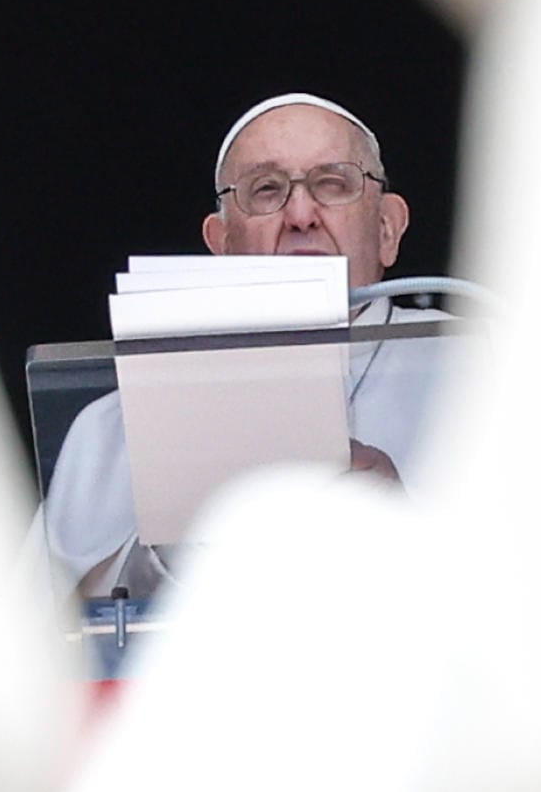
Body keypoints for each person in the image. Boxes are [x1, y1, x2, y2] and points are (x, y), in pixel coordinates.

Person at [36, 94, 456, 599]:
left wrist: (406, 530)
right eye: (266, 189)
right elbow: (40, 630)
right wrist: (170, 550)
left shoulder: (472, 364)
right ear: (223, 244)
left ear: (387, 228)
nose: (301, 214)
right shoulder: (117, 420)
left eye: (332, 183)